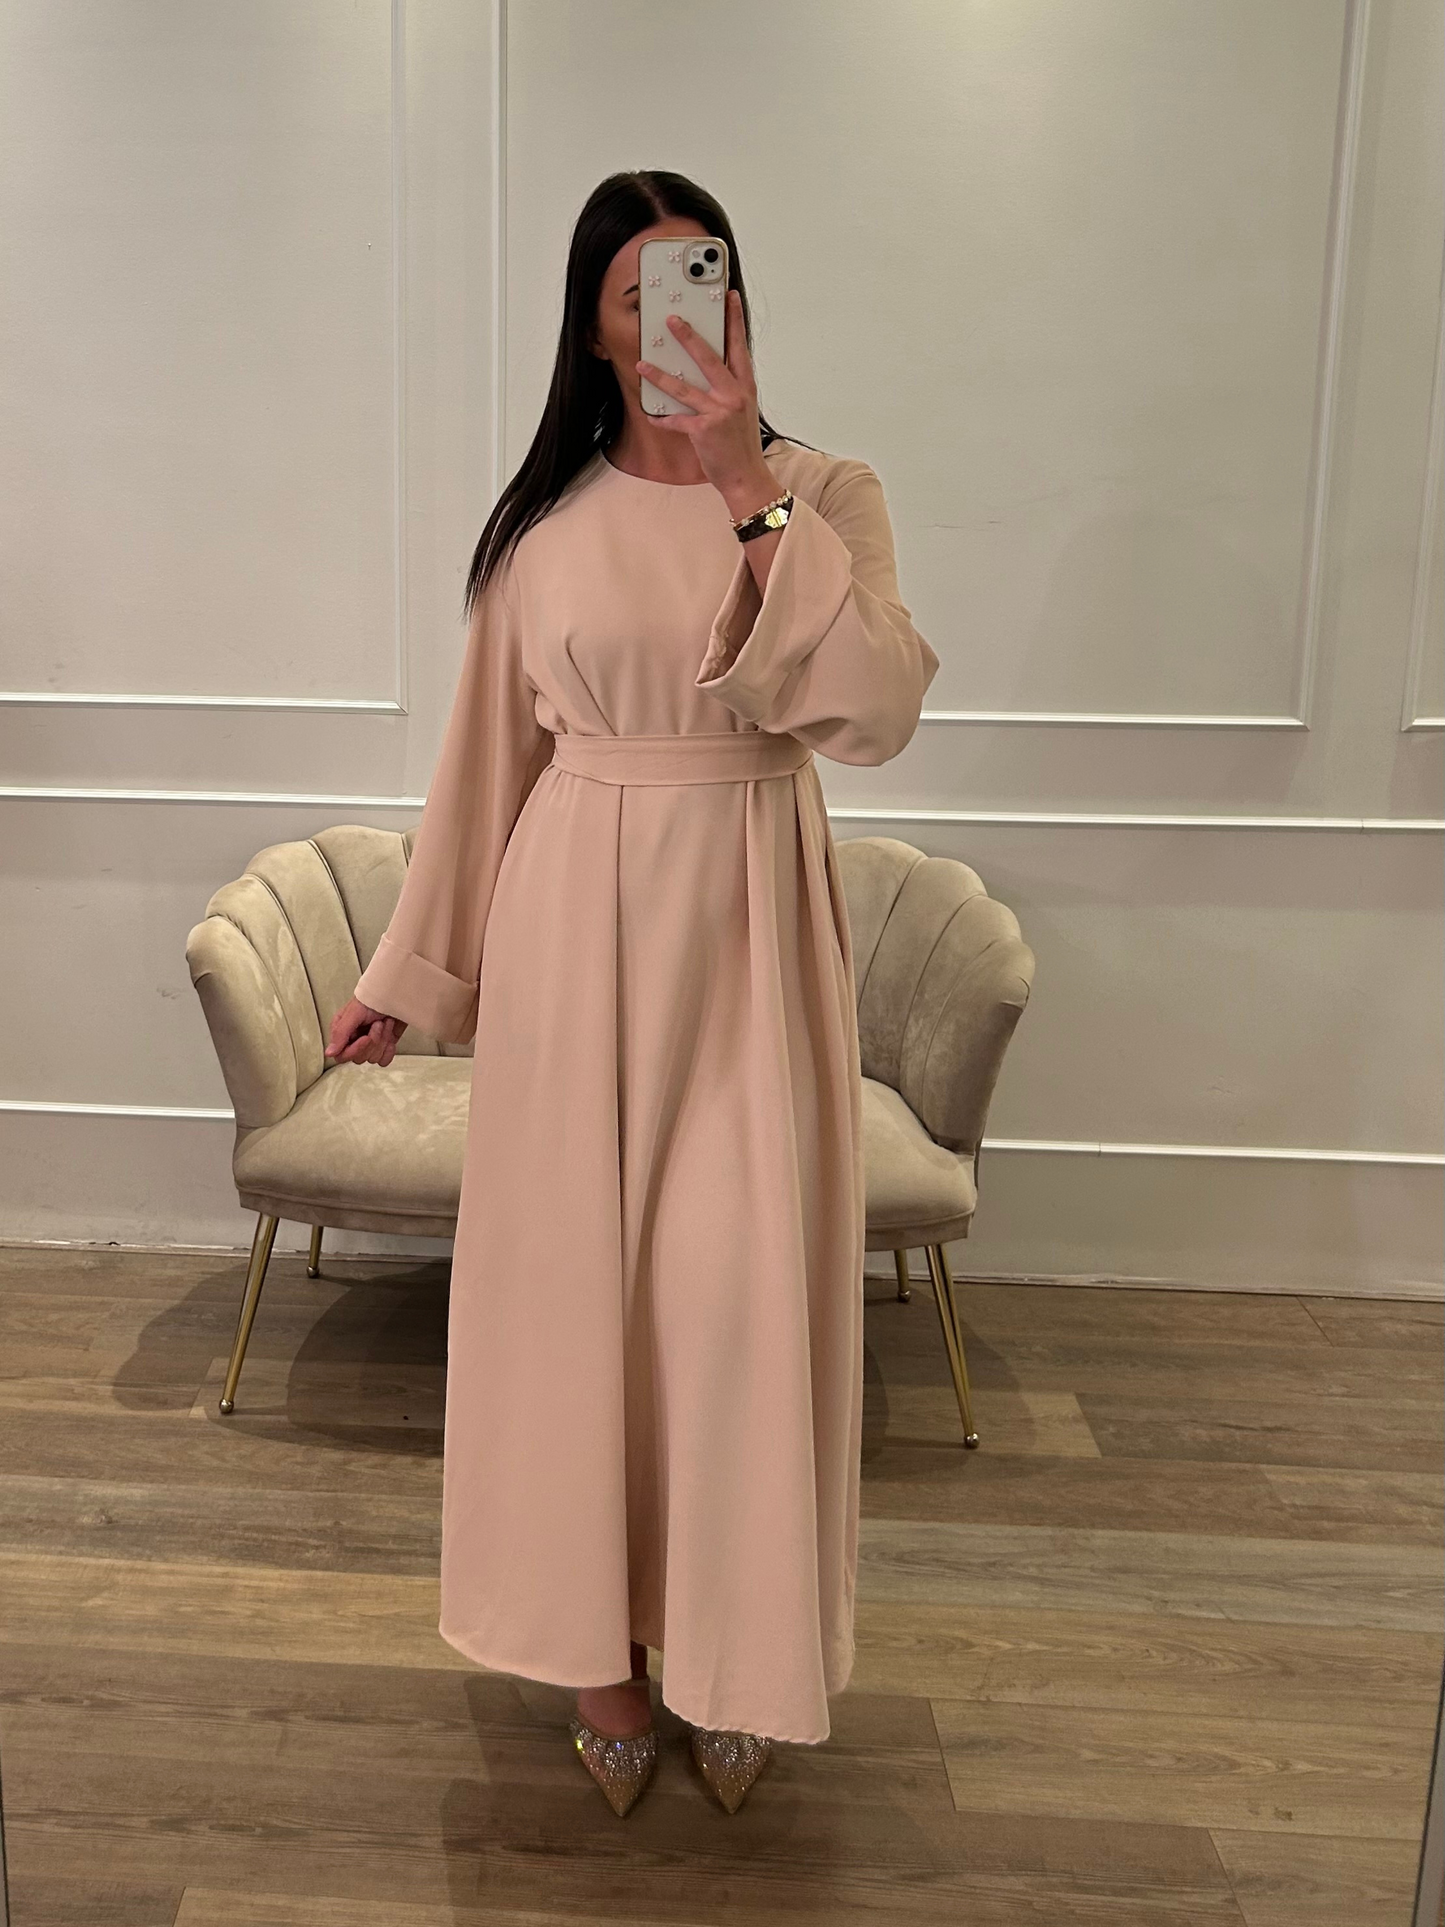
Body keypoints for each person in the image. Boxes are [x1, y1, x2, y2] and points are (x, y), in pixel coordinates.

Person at [326, 170, 940, 1817]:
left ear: (737, 303)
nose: (679, 317)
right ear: (597, 332)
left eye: (705, 281)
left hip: (752, 927)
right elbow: (485, 771)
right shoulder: (541, 530)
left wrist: (746, 480)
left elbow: (876, 710)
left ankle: (738, 1647)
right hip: (575, 935)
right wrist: (409, 974)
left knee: (736, 1300)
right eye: (640, 293)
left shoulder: (825, 492)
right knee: (576, 1306)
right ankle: (598, 1658)